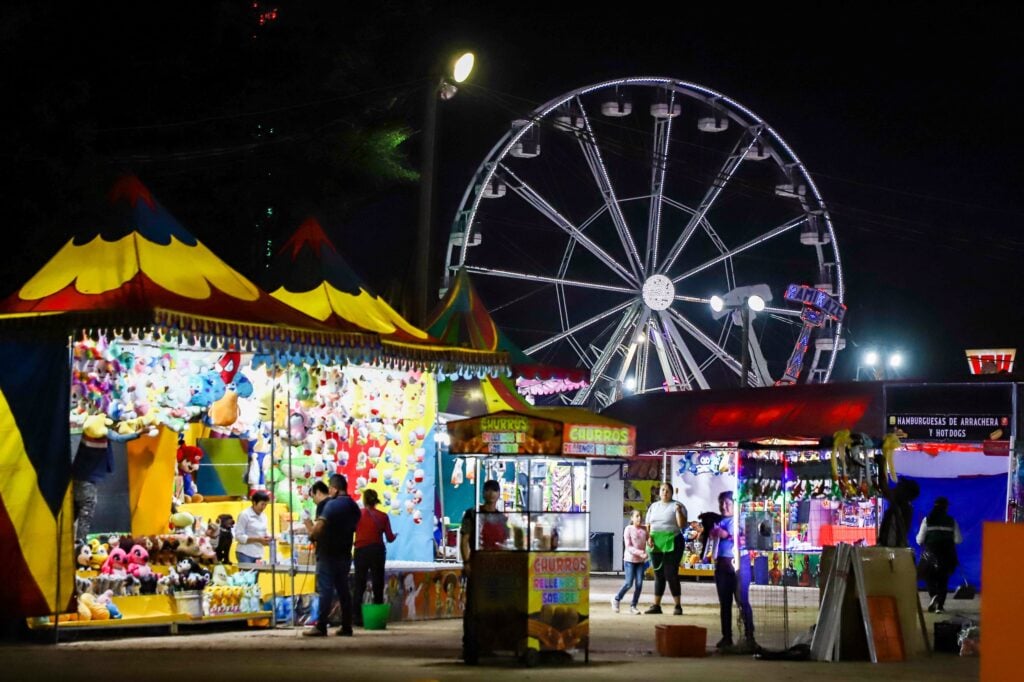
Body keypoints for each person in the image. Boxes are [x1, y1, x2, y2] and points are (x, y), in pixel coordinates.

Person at [304, 474, 361, 636]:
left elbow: (319, 528)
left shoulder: (332, 506)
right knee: (344, 590)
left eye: (330, 488)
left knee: (326, 589)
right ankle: (346, 625)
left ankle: (321, 625)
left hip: (328, 553)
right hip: (344, 553)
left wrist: (310, 530)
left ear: (334, 489)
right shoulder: (354, 507)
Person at [460, 479, 507, 664]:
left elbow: (505, 542)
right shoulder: (472, 514)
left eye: (494, 491)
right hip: (477, 566)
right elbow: (464, 540)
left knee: (493, 608)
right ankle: (470, 647)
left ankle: (489, 645)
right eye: (488, 490)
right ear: (483, 492)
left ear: (498, 494)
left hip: (496, 568)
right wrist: (466, 562)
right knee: (473, 609)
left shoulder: (502, 518)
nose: (491, 494)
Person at [72, 421, 140, 542]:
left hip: (78, 476)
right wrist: (139, 433)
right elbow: (119, 438)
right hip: (86, 478)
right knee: (87, 508)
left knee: (77, 508)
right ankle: (80, 542)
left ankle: (73, 539)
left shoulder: (89, 428)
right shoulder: (98, 429)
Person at [710, 491, 755, 651]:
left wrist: (726, 535)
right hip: (721, 565)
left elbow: (745, 538)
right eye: (721, 503)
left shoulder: (741, 520)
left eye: (727, 503)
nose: (724, 506)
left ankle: (749, 636)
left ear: (735, 505)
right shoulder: (717, 521)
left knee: (742, 601)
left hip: (739, 563)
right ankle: (726, 637)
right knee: (725, 603)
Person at [352, 488, 397, 626]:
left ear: (364, 500)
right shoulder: (383, 516)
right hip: (377, 551)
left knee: (359, 584)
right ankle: (377, 618)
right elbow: (389, 538)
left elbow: (352, 530)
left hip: (361, 551)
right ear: (376, 500)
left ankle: (357, 618)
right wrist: (395, 536)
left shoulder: (357, 515)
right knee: (378, 583)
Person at [644, 483, 687, 615]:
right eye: (663, 490)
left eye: (667, 490)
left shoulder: (677, 506)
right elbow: (648, 525)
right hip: (655, 542)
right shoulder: (653, 506)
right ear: (659, 492)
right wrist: (648, 538)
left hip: (673, 541)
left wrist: (678, 512)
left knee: (671, 574)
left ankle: (678, 606)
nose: (665, 492)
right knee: (658, 575)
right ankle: (656, 605)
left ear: (672, 493)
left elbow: (681, 525)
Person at [916, 497, 962, 613]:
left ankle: (934, 595)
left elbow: (919, 539)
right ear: (946, 507)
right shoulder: (952, 521)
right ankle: (939, 606)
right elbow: (958, 540)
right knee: (943, 579)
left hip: (930, 555)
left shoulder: (927, 519)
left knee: (928, 575)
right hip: (947, 555)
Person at [875, 454, 920, 548]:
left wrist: (881, 465)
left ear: (905, 493)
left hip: (892, 550)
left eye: (900, 487)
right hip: (893, 549)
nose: (896, 487)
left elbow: (884, 487)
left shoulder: (901, 505)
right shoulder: (904, 505)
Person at [612, 509, 648, 615]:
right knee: (628, 583)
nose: (639, 518)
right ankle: (616, 599)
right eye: (636, 516)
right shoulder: (628, 529)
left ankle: (633, 606)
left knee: (639, 584)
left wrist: (650, 542)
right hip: (630, 560)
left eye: (640, 516)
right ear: (631, 518)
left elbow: (649, 540)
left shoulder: (645, 529)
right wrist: (640, 553)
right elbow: (628, 546)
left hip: (640, 561)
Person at [234, 491, 272, 564]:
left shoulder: (264, 516)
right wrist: (258, 539)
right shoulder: (245, 515)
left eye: (265, 505)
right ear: (254, 503)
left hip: (258, 553)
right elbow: (238, 536)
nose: (263, 507)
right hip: (245, 553)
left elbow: (265, 531)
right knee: (247, 575)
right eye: (262, 504)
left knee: (255, 575)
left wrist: (269, 538)